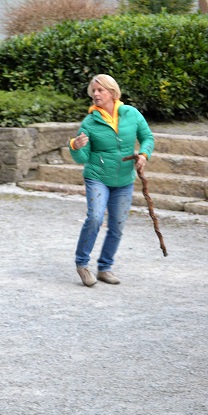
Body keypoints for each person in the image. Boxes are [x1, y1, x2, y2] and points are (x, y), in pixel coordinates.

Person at [70, 74, 154, 286]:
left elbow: (147, 137)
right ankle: (82, 264)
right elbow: (83, 158)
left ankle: (105, 268)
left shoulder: (131, 114)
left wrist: (143, 154)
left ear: (113, 92)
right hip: (97, 176)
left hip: (124, 179)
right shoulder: (89, 122)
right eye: (94, 91)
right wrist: (76, 147)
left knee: (117, 225)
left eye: (101, 90)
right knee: (96, 217)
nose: (96, 94)